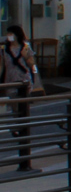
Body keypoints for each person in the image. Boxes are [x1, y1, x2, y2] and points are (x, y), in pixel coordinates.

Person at [1, 24, 38, 172]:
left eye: (11, 33)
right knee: (13, 106)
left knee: (21, 106)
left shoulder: (25, 47)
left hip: (23, 80)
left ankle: (21, 128)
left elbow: (32, 64)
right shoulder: (4, 49)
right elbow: (2, 66)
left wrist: (26, 58)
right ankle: (17, 127)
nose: (9, 35)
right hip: (10, 80)